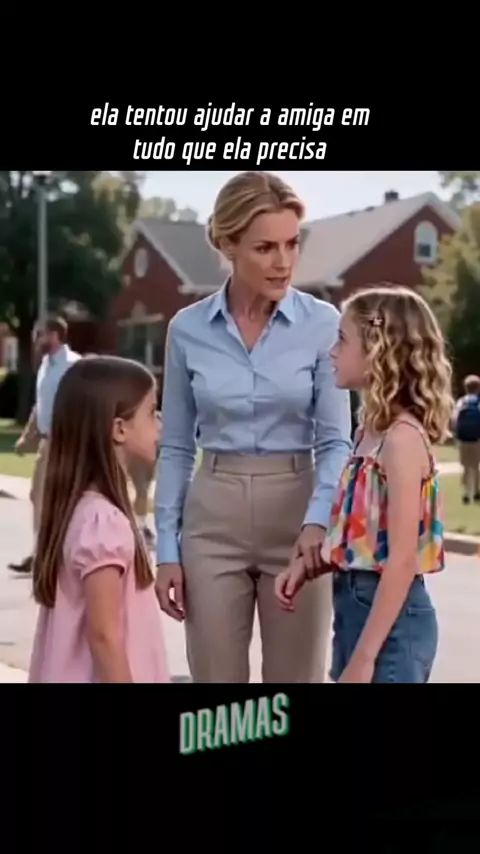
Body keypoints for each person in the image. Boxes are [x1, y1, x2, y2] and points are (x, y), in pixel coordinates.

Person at [155, 171, 352, 684]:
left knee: (293, 685)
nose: (283, 261)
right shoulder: (187, 329)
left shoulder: (323, 323)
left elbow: (336, 440)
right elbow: (175, 446)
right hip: (212, 520)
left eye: (292, 243)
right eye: (265, 247)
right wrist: (167, 551)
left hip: (298, 518)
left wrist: (318, 522)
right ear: (228, 245)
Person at [276, 285, 454, 684]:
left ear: (377, 351)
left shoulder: (402, 440)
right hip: (356, 613)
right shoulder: (368, 434)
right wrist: (310, 565)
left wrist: (364, 658)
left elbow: (401, 561)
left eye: (342, 340)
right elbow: (368, 540)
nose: (331, 352)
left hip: (393, 629)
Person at [28, 356, 169, 683]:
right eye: (151, 412)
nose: (160, 423)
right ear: (119, 429)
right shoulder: (103, 522)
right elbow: (104, 637)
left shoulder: (80, 511)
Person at [9, 316, 81, 574]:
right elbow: (40, 406)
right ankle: (42, 554)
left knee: (67, 499)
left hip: (68, 444)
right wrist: (27, 437)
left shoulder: (73, 365)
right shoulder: (45, 366)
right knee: (38, 495)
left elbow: (83, 406)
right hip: (47, 443)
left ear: (54, 335)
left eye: (40, 334)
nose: (36, 339)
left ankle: (60, 555)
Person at [452, 374, 480, 504]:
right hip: (476, 438)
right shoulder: (478, 402)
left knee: (465, 467)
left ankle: (465, 493)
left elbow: (454, 419)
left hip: (463, 438)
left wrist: (455, 435)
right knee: (476, 466)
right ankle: (476, 491)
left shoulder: (461, 402)